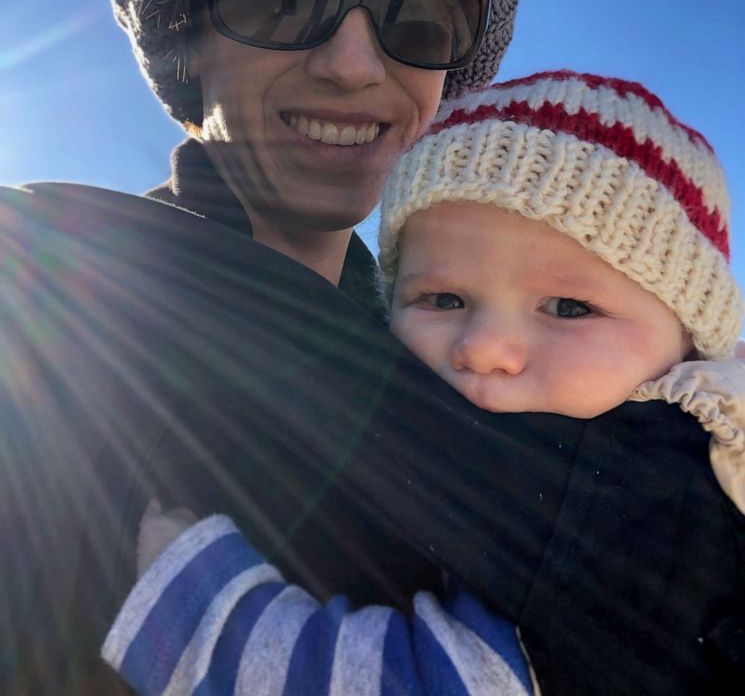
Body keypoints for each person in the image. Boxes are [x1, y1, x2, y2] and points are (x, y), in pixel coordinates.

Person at [2, 0, 742, 695]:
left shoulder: (492, 376)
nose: (354, 63)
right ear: (184, 29)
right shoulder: (62, 299)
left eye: (415, 13)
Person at [101, 71, 745, 695]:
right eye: (442, 299)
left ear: (686, 342)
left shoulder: (638, 508)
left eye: (570, 308)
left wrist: (189, 603)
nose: (486, 349)